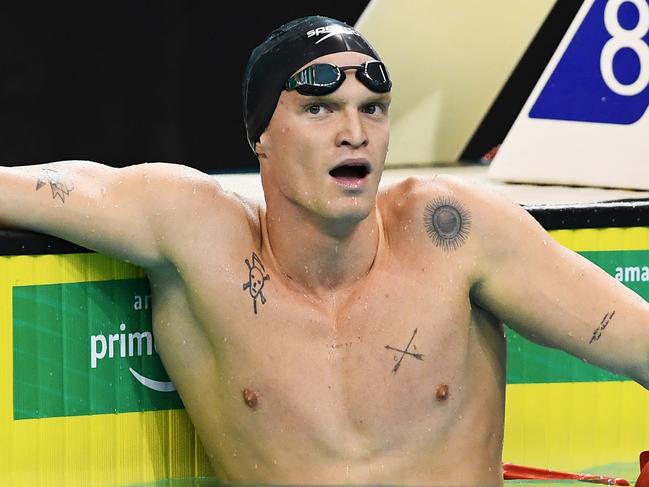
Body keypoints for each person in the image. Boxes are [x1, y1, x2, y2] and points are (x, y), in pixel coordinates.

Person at [1, 15, 648, 486]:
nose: (353, 133)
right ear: (262, 137)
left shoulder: (450, 231)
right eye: (319, 109)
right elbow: (41, 188)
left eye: (373, 108)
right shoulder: (199, 236)